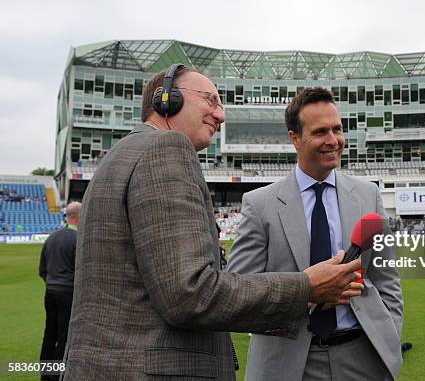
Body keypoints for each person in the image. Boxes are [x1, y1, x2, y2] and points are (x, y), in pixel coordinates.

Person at [63, 65, 363, 380]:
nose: (219, 115)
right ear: (167, 99)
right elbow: (190, 294)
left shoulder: (118, 156)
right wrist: (306, 287)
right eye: (210, 100)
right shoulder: (167, 148)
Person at [227, 87, 403, 380]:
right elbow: (240, 292)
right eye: (321, 131)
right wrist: (305, 292)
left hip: (362, 357)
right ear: (294, 138)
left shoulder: (368, 195)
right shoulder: (259, 205)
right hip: (287, 363)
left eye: (337, 129)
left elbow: (387, 280)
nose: (333, 141)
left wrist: (390, 334)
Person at [39, 201, 80, 381]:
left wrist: (51, 282)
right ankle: (56, 375)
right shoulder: (78, 239)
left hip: (51, 291)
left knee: (49, 333)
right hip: (68, 292)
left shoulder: (51, 237)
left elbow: (42, 269)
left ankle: (45, 373)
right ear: (79, 216)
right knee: (64, 335)